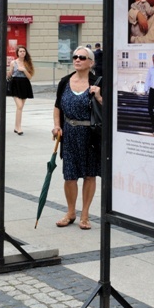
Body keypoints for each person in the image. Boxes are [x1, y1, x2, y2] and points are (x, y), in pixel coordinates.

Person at [52, 46, 101, 230]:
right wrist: (57, 125)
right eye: (75, 57)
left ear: (91, 62)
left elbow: (107, 109)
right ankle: (71, 212)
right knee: (69, 176)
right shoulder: (65, 81)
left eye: (82, 57)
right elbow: (57, 107)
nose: (77, 60)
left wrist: (98, 95)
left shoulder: (97, 82)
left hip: (90, 135)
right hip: (69, 133)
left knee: (89, 174)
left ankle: (85, 215)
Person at [7, 45, 35, 135]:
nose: (22, 53)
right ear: (17, 53)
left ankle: (16, 126)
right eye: (20, 51)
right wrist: (8, 73)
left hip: (24, 84)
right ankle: (19, 127)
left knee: (20, 107)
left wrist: (24, 70)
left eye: (24, 51)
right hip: (15, 84)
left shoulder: (28, 63)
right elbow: (10, 75)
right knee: (19, 106)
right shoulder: (13, 63)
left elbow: (30, 77)